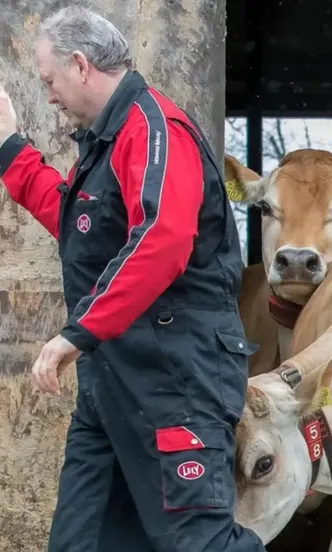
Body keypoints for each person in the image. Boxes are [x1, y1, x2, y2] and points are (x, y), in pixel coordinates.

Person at [0, 6, 267, 552]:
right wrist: (9, 146)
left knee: (198, 543)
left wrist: (76, 333)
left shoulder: (157, 129)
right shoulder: (107, 140)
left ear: (80, 65)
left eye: (49, 80)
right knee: (81, 543)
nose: (48, 95)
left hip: (176, 376)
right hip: (112, 385)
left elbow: (162, 239)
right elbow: (78, 224)